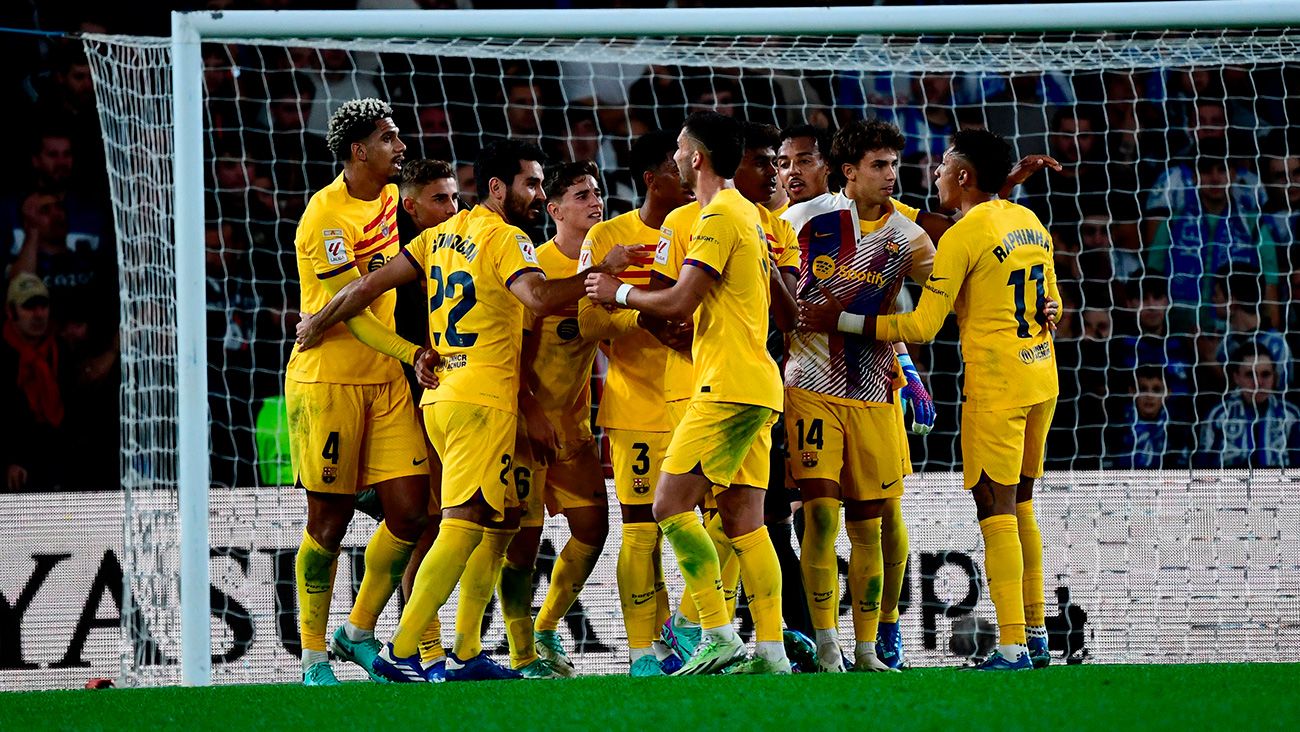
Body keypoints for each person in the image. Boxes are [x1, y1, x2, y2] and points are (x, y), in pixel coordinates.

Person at [296, 138, 643, 683]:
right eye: (530, 183)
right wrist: (599, 270)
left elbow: (370, 284)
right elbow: (541, 300)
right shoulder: (507, 239)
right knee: (460, 526)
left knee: (480, 520)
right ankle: (404, 648)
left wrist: (319, 319)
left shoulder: (438, 236)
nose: (537, 193)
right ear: (499, 187)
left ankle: (461, 650)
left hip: (442, 393)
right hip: (482, 398)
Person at [586, 111, 791, 675]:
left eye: (680, 147)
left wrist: (619, 292)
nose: (675, 155)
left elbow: (679, 302)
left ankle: (716, 631)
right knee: (745, 518)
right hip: (756, 383)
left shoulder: (720, 215)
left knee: (668, 504)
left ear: (697, 158)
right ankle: (770, 652)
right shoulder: (744, 212)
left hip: (725, 385)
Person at [869, 129, 1061, 671]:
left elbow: (924, 327)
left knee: (994, 508)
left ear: (962, 176)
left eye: (942, 165)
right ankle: (1037, 633)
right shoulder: (1029, 223)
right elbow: (1056, 302)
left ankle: (1011, 646)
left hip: (998, 386)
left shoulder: (962, 236)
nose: (933, 174)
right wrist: (1052, 314)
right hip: (1041, 376)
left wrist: (847, 321)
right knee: (1022, 503)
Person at [283, 98, 433, 687]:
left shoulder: (401, 202)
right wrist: (412, 353)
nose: (400, 147)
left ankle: (358, 630)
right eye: (389, 138)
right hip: (330, 381)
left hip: (385, 381)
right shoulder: (325, 216)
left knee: (411, 511)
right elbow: (353, 312)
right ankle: (315, 656)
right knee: (329, 521)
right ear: (358, 150)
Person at [782, 119, 937, 672]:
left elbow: (935, 306)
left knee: (870, 523)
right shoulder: (800, 220)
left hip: (874, 392)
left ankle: (870, 647)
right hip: (809, 388)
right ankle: (827, 646)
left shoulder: (909, 237)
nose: (891, 175)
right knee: (820, 516)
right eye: (879, 165)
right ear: (849, 172)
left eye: (894, 165)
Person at [578, 130, 694, 676]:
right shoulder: (608, 235)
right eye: (678, 167)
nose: (690, 175)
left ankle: (689, 631)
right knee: (642, 530)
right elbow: (588, 319)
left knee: (718, 523)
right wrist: (643, 316)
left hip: (698, 398)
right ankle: (643, 651)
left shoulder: (701, 224)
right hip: (636, 405)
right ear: (653, 178)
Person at [497, 161, 612, 678]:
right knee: (521, 542)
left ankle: (546, 628)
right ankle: (523, 654)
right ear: (555, 209)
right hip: (527, 426)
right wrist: (530, 412)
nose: (595, 202)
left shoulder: (605, 270)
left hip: (574, 428)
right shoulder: (536, 268)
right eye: (582, 195)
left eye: (597, 193)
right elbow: (510, 351)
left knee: (594, 527)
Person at [1, 274, 63, 492]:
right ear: (11, 312)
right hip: (16, 472)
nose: (38, 315)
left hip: (55, 460)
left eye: (43, 305)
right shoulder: (3, 356)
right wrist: (10, 460)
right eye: (29, 307)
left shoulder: (60, 349)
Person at [1196, 343, 1300, 468]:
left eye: (1265, 374)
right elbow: (1201, 468)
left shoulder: (1291, 415)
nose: (1258, 383)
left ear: (1274, 377)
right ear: (1236, 378)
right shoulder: (1218, 415)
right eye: (1250, 375)